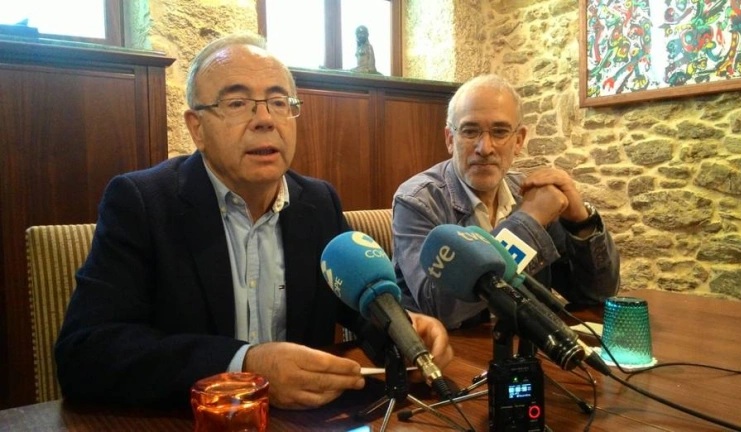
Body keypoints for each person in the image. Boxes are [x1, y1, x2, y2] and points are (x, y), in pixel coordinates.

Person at [54, 33, 452, 409]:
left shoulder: (317, 203)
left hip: (302, 421)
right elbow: (84, 352)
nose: (265, 120)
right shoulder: (141, 203)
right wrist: (243, 365)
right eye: (238, 103)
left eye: (279, 102)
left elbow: (357, 310)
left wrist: (400, 331)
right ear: (197, 128)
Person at [392, 74, 620, 330]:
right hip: (452, 350)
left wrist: (581, 223)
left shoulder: (528, 193)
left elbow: (596, 294)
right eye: (470, 131)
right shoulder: (418, 201)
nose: (485, 148)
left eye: (500, 132)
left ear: (518, 140)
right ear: (449, 139)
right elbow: (440, 308)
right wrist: (529, 222)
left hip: (526, 344)